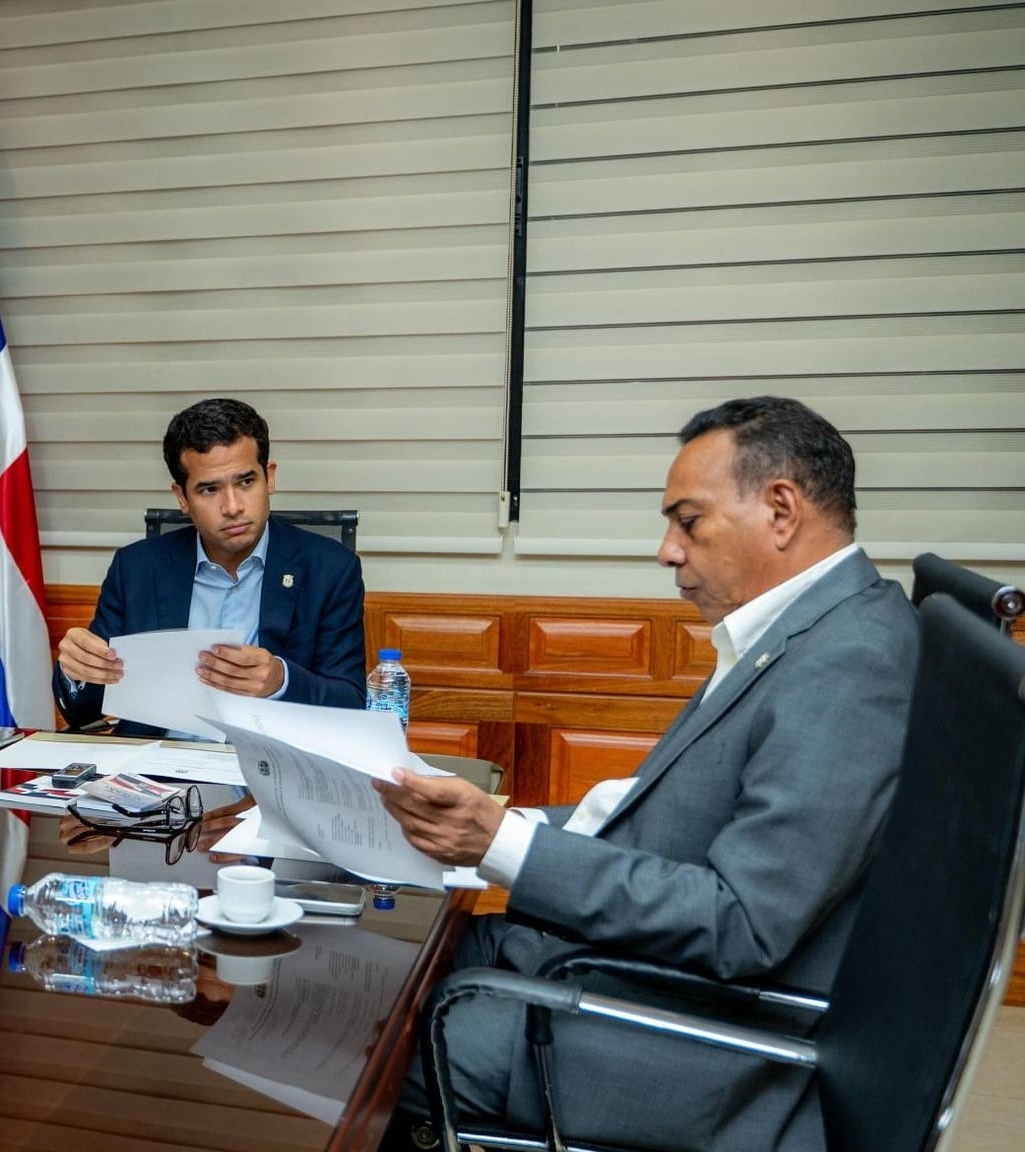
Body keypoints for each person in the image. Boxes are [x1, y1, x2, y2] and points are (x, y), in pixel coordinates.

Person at [376, 397, 917, 1151]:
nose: (668, 550)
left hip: (685, 1044)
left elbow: (743, 924)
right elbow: (669, 808)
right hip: (613, 965)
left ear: (782, 510)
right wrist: (509, 827)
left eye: (687, 521)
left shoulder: (852, 665)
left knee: (352, 1043)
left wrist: (500, 844)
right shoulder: (802, 628)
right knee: (376, 957)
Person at [53, 397, 367, 735]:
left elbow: (349, 703)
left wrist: (280, 680)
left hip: (267, 774)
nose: (232, 506)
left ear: (269, 478)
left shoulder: (330, 569)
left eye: (246, 482)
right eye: (209, 489)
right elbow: (81, 712)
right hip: (158, 775)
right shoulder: (136, 569)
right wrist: (77, 670)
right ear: (182, 497)